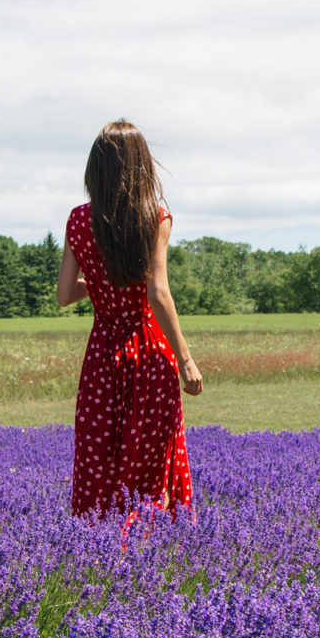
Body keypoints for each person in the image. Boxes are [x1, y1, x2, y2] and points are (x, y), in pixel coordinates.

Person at [56, 119, 203, 520]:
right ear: (141, 165)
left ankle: (98, 555)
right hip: (149, 353)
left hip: (102, 355)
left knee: (98, 459)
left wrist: (102, 286)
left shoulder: (77, 220)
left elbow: (64, 295)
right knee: (151, 465)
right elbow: (157, 292)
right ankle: (152, 557)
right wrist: (186, 360)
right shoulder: (155, 218)